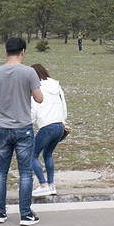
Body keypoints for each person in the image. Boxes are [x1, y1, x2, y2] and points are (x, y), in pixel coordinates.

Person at [0, 36, 43, 226]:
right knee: (26, 172)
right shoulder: (29, 72)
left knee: (1, 172)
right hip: (23, 128)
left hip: (3, 127)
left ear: (6, 52)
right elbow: (39, 99)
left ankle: (0, 213)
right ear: (23, 52)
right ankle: (25, 213)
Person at [30, 63, 68, 198]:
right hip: (59, 125)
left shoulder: (36, 87)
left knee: (32, 154)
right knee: (48, 154)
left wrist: (28, 121)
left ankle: (43, 184)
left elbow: (33, 109)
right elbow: (63, 103)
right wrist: (63, 121)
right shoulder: (55, 85)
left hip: (46, 126)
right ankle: (51, 184)